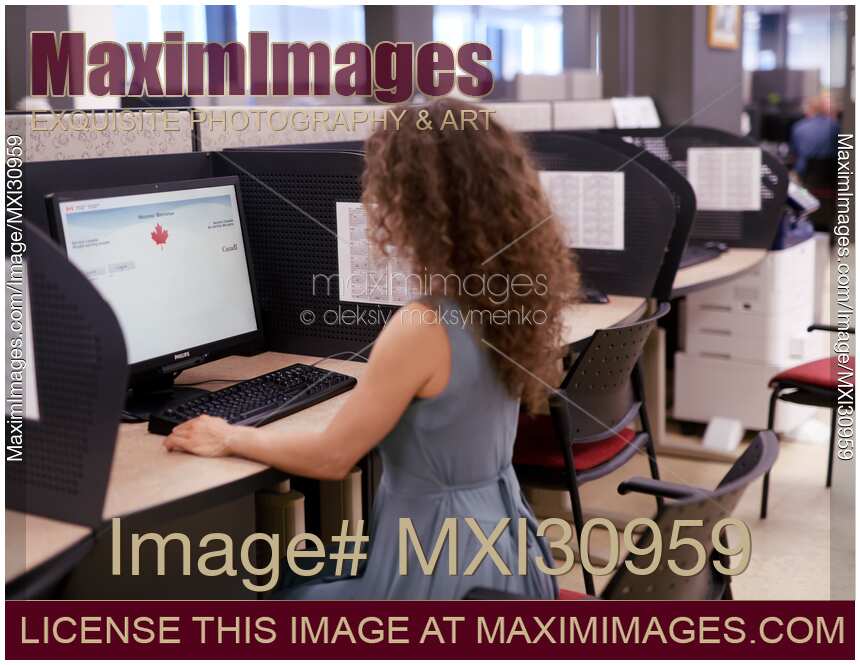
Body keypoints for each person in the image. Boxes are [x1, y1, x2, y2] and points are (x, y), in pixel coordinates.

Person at [163, 99, 580, 599]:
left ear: (412, 203)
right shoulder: (513, 297)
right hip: (507, 555)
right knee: (310, 565)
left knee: (268, 591)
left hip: (437, 571)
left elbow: (332, 458)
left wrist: (228, 435)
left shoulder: (423, 326)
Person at [790, 93, 839, 177]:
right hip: (832, 178)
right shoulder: (836, 126)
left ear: (809, 109)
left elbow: (794, 152)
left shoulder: (799, 127)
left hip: (805, 176)